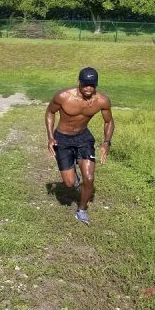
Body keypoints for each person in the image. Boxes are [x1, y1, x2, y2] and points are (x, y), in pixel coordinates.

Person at [45, 67, 114, 226]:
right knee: (70, 183)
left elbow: (109, 121)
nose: (88, 89)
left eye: (92, 85)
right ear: (79, 83)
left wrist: (106, 142)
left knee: (89, 178)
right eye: (85, 85)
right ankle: (73, 175)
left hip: (83, 138)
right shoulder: (63, 96)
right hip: (62, 139)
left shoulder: (102, 101)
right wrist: (50, 137)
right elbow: (50, 112)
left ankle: (82, 210)